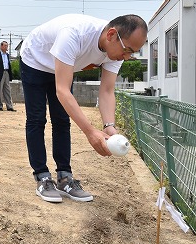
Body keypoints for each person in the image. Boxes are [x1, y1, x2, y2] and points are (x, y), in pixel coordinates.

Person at [21, 13, 147, 203]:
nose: (127, 57)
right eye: (128, 50)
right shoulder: (73, 34)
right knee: (37, 119)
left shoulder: (117, 49)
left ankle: (65, 178)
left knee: (62, 120)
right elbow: (62, 91)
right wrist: (90, 132)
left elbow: (106, 91)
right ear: (111, 34)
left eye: (133, 53)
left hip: (62, 65)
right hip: (35, 60)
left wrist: (109, 126)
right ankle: (42, 177)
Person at [0, 41, 15, 111]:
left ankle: (9, 106)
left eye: (7, 45)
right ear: (1, 46)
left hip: (6, 72)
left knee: (7, 90)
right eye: (5, 45)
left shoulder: (7, 55)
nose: (6, 47)